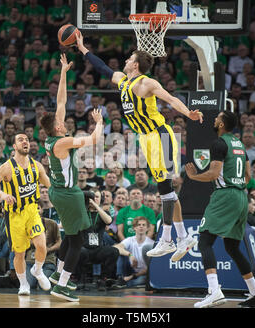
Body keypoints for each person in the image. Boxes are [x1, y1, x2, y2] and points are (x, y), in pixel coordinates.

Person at [76, 32, 203, 260]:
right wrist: (82, 48)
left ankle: (167, 239)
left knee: (165, 188)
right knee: (166, 190)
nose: (124, 61)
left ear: (135, 64)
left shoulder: (147, 83)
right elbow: (102, 67)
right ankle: (182, 237)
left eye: (128, 59)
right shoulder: (123, 81)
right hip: (145, 138)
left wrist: (188, 113)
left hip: (160, 134)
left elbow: (171, 99)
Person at [185, 111, 255, 308]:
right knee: (231, 247)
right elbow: (247, 175)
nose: (214, 120)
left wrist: (194, 176)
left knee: (204, 241)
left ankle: (214, 292)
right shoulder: (239, 144)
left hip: (226, 196)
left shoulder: (218, 143)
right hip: (241, 197)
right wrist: (236, 187)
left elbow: (214, 173)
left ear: (221, 124)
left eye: (217, 118)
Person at [40, 54, 104, 302]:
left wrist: (64, 72)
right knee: (78, 241)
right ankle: (62, 285)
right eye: (61, 121)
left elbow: (61, 100)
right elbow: (94, 140)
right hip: (67, 194)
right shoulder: (63, 142)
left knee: (70, 235)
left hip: (61, 192)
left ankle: (57, 274)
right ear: (57, 127)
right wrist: (99, 122)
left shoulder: (50, 136)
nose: (64, 120)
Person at [0, 132, 52, 296]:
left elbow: (50, 185)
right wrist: (3, 195)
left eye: (27, 139)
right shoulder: (7, 167)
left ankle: (37, 269)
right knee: (19, 253)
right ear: (14, 146)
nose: (25, 142)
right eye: (20, 140)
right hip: (14, 214)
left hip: (32, 210)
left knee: (42, 245)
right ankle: (24, 284)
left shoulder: (37, 166)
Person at [113, 216, 154, 288]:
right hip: (130, 269)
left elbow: (151, 268)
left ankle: (123, 282)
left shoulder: (151, 244)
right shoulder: (130, 240)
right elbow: (116, 248)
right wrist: (130, 255)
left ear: (147, 228)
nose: (141, 227)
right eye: (139, 225)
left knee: (135, 282)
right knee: (120, 253)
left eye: (144, 225)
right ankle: (120, 278)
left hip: (143, 273)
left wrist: (132, 276)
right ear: (134, 228)